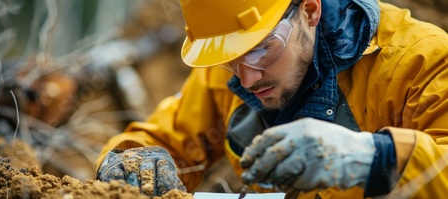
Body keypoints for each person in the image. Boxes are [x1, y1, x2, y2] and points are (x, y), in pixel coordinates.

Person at [96, 0, 448, 198]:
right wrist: (130, 159)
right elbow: (161, 139)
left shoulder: (418, 60)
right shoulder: (228, 67)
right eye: (231, 60)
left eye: (263, 49)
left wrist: (376, 157)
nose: (247, 78)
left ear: (310, 10)